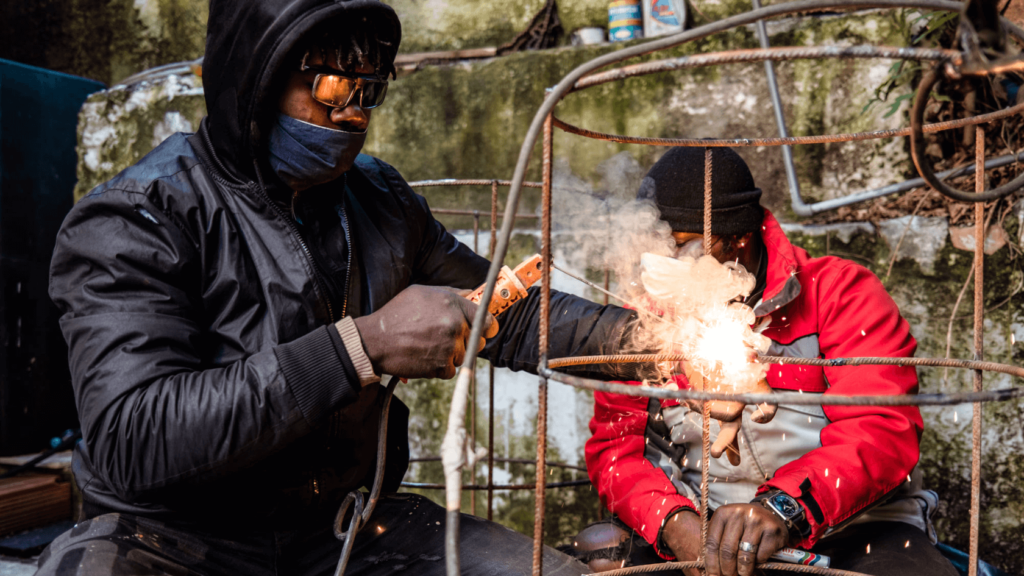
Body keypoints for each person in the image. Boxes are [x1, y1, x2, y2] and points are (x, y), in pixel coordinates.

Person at [37, 1, 638, 574]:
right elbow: (133, 436)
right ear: (254, 79)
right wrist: (360, 348)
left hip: (340, 528)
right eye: (330, 88)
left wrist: (647, 337)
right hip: (174, 538)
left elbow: (505, 308)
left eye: (368, 90)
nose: (353, 113)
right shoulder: (137, 217)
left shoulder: (380, 201)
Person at [570, 147, 958, 576]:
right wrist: (673, 523)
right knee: (595, 558)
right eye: (655, 245)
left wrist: (783, 509)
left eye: (681, 245)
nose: (664, 263)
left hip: (853, 525)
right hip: (703, 525)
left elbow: (881, 431)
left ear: (739, 238)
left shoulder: (842, 294)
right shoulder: (647, 319)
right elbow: (615, 452)